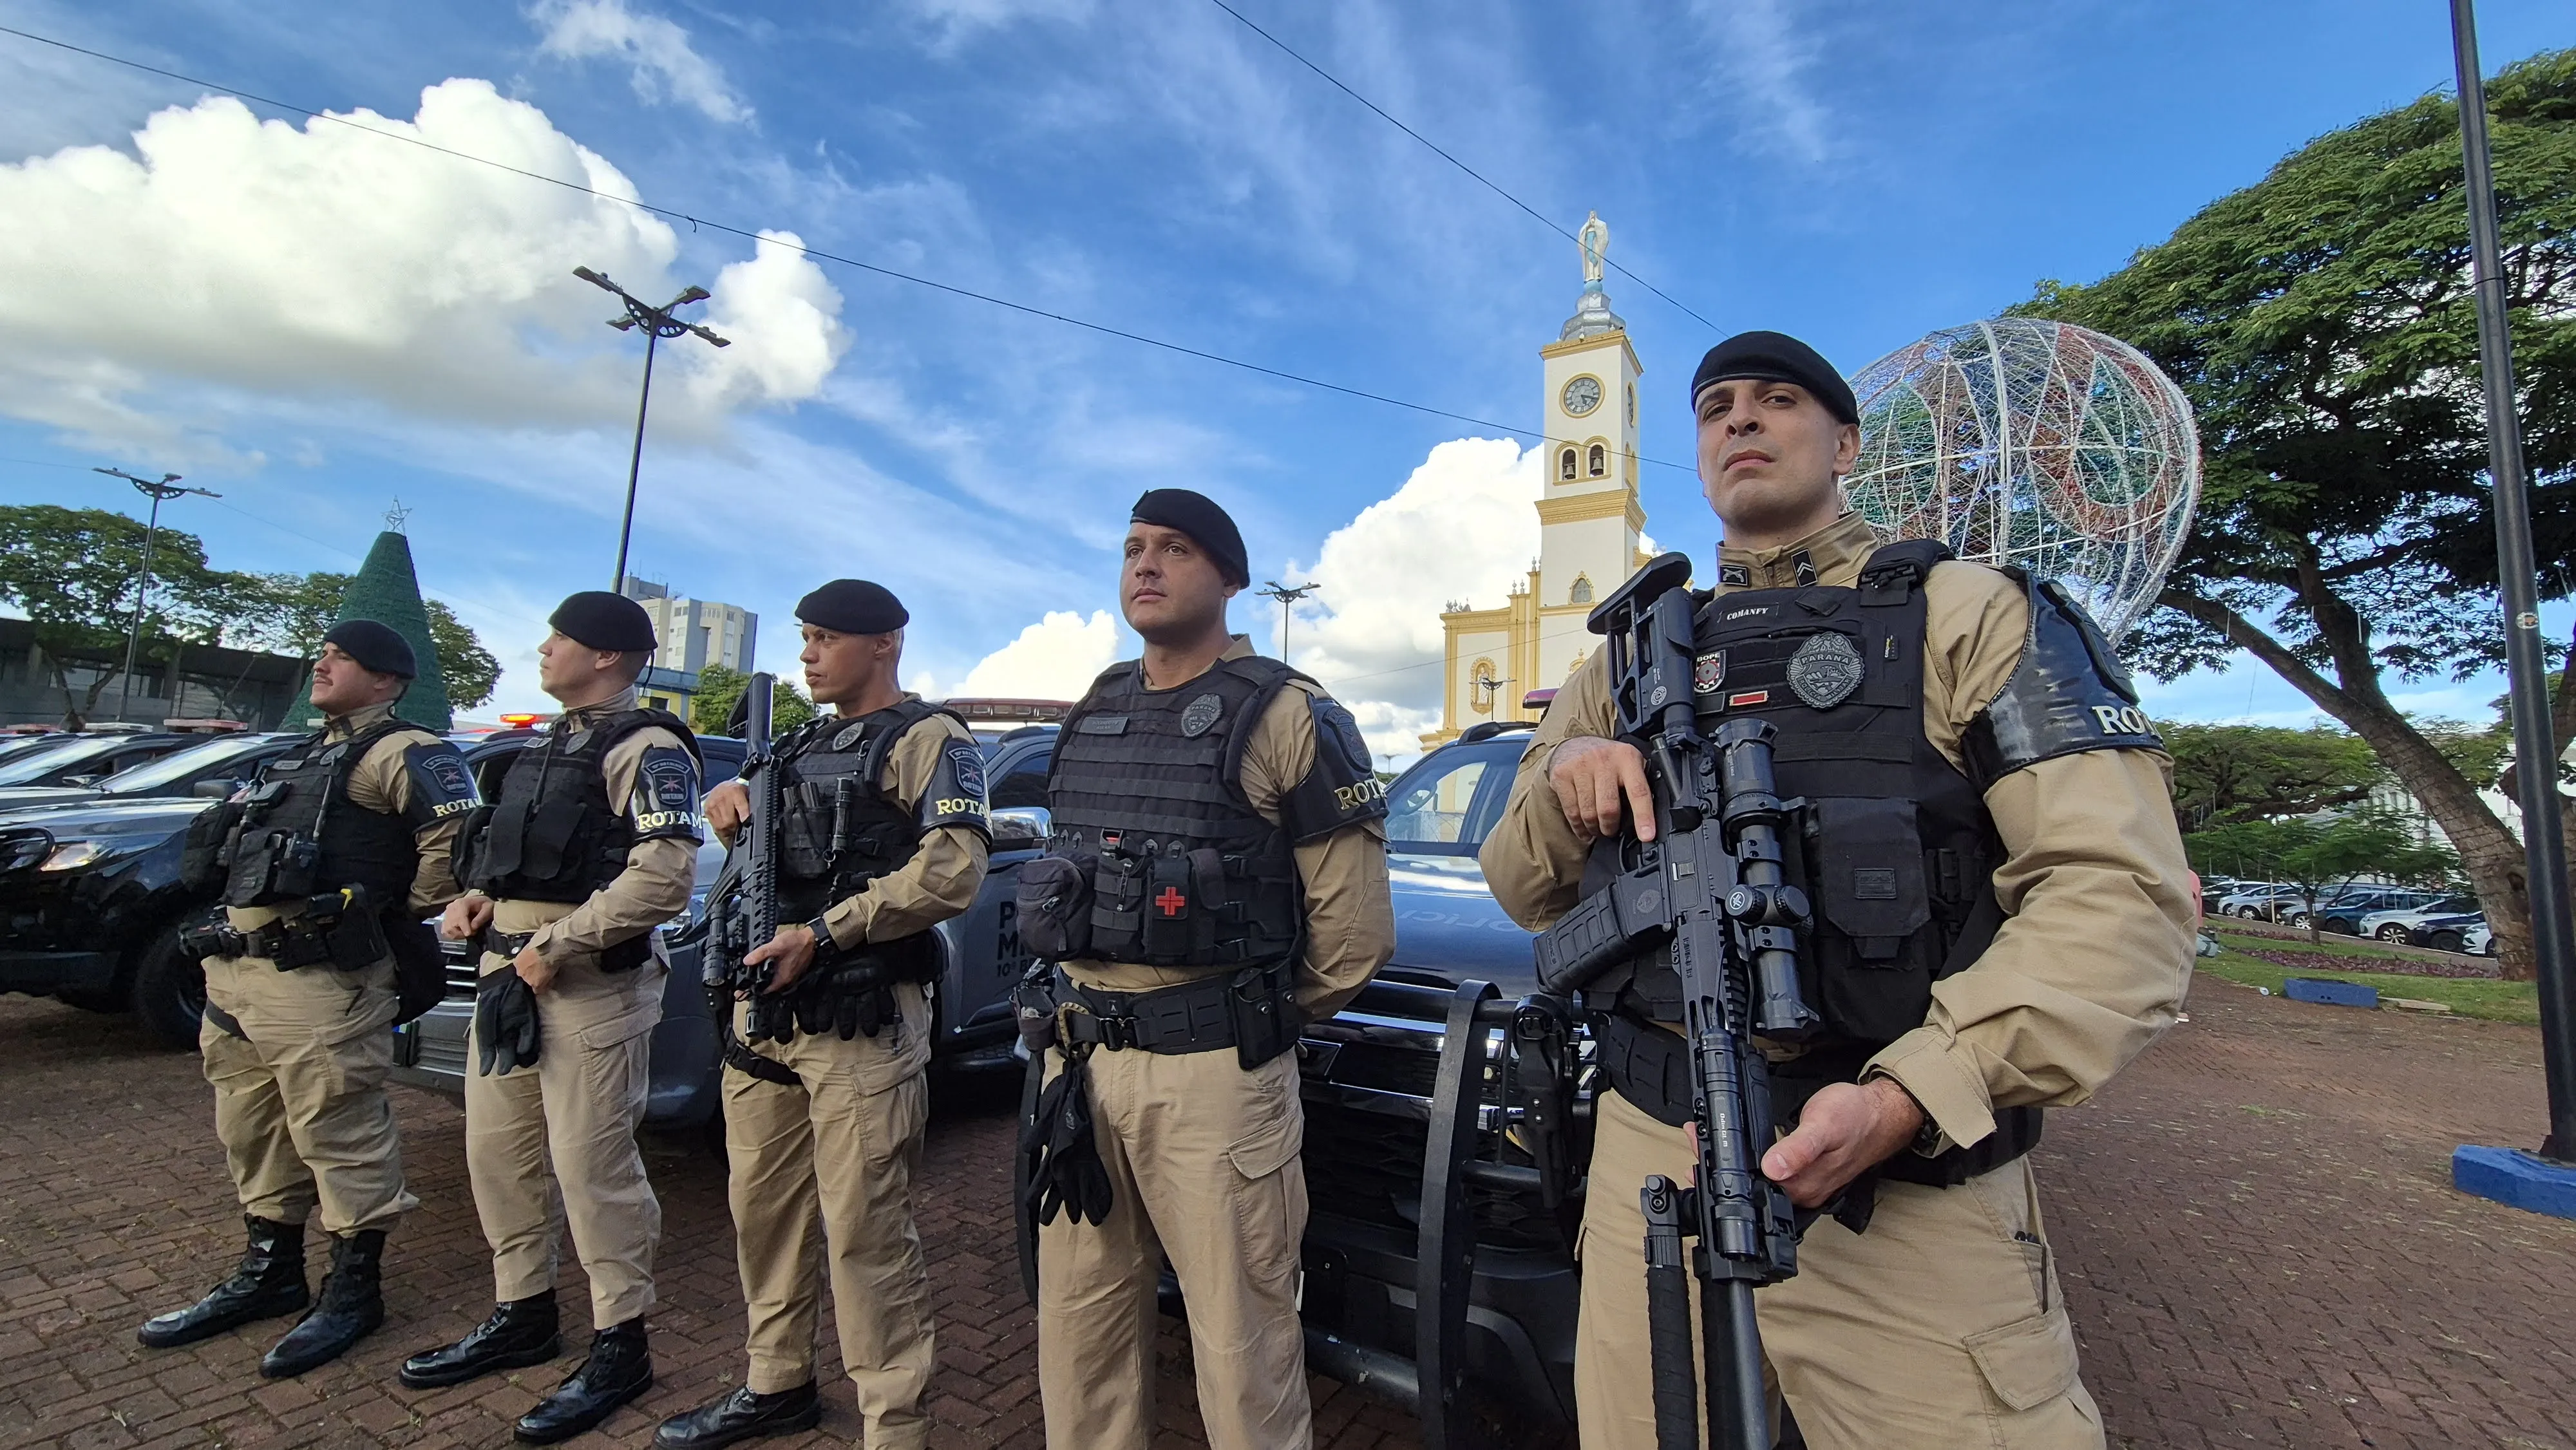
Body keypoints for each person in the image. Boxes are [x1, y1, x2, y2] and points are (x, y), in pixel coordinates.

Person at [1478, 331, 2195, 1449]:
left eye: (1777, 401)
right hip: (1652, 1165)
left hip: (1900, 1178)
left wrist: (1916, 1093)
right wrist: (1566, 783)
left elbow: (2120, 898)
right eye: (1717, 406)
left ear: (1846, 442)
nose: (1741, 421)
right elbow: (1521, 887)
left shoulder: (1972, 613)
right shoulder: (1619, 665)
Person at [1019, 489, 1394, 1450]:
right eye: (1135, 547)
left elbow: (1352, 937)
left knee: (1244, 1346)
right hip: (1078, 1066)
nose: (1145, 565)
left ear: (1228, 578)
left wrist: (1240, 1018)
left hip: (1215, 1079)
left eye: (1176, 550)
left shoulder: (1287, 713)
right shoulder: (1098, 705)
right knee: (1080, 1329)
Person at [654, 580, 992, 1450]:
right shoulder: (795, 744)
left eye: (826, 637)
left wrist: (829, 932)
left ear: (885, 643)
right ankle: (777, 1383)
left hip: (863, 1015)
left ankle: (895, 1425)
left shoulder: (929, 738)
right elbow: (768, 854)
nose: (807, 652)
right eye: (804, 636)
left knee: (866, 1231)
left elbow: (951, 873)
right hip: (766, 1016)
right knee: (762, 1213)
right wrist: (731, 803)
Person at [137, 620, 476, 1379]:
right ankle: (271, 1271)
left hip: (323, 981)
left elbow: (455, 848)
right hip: (240, 977)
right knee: (251, 1128)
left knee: (339, 1131)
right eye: (323, 654)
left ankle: (353, 1293)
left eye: (342, 657)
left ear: (387, 679)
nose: (322, 664)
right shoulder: (307, 752)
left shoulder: (403, 751)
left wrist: (379, 911)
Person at [402, 590, 703, 1444]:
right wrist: (478, 899)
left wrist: (558, 942)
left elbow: (662, 879)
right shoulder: (547, 745)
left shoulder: (648, 748)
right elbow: (519, 858)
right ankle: (523, 1310)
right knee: (499, 1157)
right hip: (510, 975)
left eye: (560, 639)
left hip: (586, 985)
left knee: (592, 1170)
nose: (543, 649)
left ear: (607, 656)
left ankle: (622, 1342)